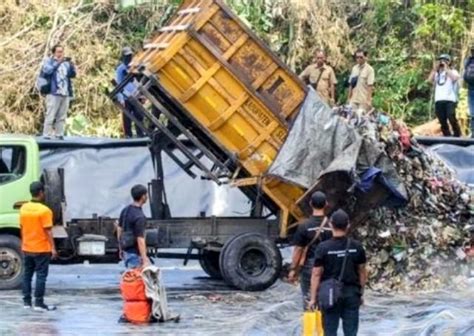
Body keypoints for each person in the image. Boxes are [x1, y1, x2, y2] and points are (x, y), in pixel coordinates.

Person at [308, 209, 367, 336]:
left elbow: (316, 274)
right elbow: (362, 271)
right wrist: (360, 293)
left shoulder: (323, 248)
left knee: (329, 331)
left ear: (330, 224)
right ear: (348, 225)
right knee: (351, 332)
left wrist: (313, 298)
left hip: (331, 294)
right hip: (352, 294)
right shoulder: (357, 246)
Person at [288, 191, 332, 308]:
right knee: (327, 298)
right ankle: (325, 322)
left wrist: (293, 269)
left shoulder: (304, 226)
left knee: (309, 298)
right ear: (326, 204)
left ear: (311, 204)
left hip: (310, 267)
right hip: (328, 266)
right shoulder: (331, 226)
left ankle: (311, 322)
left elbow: (298, 249)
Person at [20, 181, 58, 311]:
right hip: (41, 249)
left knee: (27, 275)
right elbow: (48, 231)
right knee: (41, 276)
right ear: (41, 192)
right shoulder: (45, 211)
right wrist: (53, 248)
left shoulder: (24, 208)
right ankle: (39, 303)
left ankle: (26, 302)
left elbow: (22, 227)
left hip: (27, 247)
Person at [41, 44, 76, 139]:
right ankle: (46, 134)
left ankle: (59, 134)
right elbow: (47, 71)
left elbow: (72, 75)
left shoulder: (66, 63)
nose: (61, 54)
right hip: (53, 92)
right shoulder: (49, 61)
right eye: (58, 52)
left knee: (62, 115)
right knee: (51, 114)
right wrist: (58, 62)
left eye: (62, 51)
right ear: (54, 53)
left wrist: (72, 66)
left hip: (65, 92)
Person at [117, 184, 150, 269]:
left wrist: (120, 248)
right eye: (146, 194)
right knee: (138, 279)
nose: (147, 196)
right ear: (143, 197)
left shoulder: (125, 210)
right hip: (135, 255)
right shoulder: (139, 216)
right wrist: (144, 258)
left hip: (126, 252)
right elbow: (140, 239)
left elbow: (119, 229)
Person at [428, 54, 461, 137]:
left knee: (451, 117)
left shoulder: (453, 71)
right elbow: (429, 80)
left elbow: (454, 78)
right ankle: (447, 136)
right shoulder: (437, 74)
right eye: (441, 61)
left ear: (449, 62)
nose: (442, 62)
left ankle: (457, 134)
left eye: (444, 60)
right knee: (442, 120)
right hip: (439, 100)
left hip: (450, 100)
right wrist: (435, 69)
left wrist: (446, 68)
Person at [115, 47, 144, 138]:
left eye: (130, 56)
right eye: (127, 56)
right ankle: (128, 135)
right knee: (127, 117)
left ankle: (140, 134)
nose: (129, 58)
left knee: (139, 115)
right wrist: (121, 98)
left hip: (136, 94)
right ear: (123, 57)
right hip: (126, 96)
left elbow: (139, 81)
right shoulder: (120, 69)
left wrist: (142, 95)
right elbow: (118, 84)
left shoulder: (134, 66)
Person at [463, 46, 474, 137]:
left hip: (471, 89)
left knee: (473, 113)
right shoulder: (469, 61)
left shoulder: (468, 61)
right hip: (471, 88)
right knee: (472, 113)